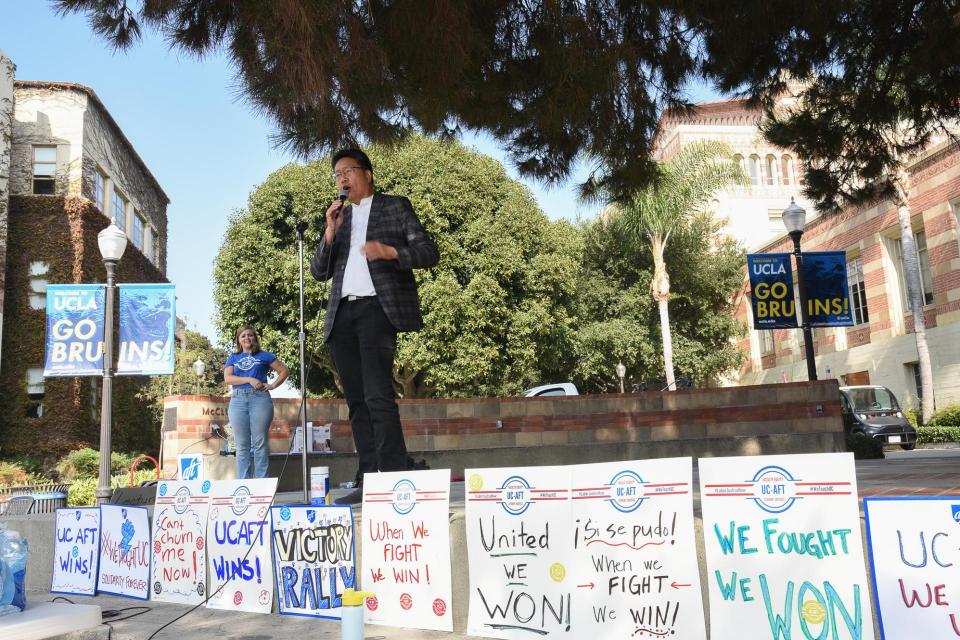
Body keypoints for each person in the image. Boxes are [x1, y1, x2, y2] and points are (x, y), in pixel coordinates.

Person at [311, 148, 439, 504]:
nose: (341, 179)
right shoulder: (341, 219)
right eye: (336, 174)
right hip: (342, 315)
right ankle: (368, 478)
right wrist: (329, 231)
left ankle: (395, 476)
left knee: (378, 395)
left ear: (367, 173)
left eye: (347, 171)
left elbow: (429, 252)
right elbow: (319, 272)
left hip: (377, 310)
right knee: (356, 401)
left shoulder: (395, 206)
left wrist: (392, 253)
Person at [224, 326, 289, 479]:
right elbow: (228, 378)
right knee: (241, 445)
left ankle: (260, 483)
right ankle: (243, 483)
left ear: (255, 338)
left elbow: (284, 370)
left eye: (250, 335)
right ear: (239, 340)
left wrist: (272, 385)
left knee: (260, 442)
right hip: (238, 400)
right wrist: (248, 379)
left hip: (259, 399)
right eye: (243, 336)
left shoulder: (265, 355)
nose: (247, 338)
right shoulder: (233, 357)